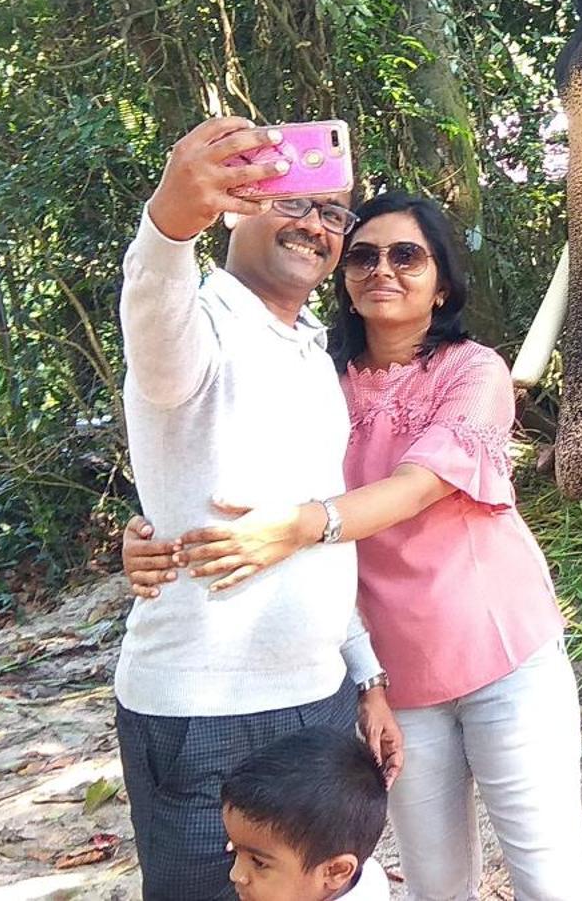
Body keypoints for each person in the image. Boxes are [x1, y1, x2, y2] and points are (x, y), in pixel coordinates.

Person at [125, 190, 582, 900]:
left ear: (442, 284)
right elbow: (216, 464)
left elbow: (416, 486)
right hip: (392, 675)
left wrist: (296, 526)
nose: (383, 268)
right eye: (365, 255)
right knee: (435, 881)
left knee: (547, 870)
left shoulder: (474, 372)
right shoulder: (317, 368)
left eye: (407, 255)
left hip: (501, 654)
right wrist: (153, 534)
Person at [115, 117, 404, 900]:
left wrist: (365, 676)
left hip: (314, 701)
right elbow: (153, 309)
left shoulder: (312, 349)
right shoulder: (196, 328)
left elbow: (315, 536)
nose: (315, 224)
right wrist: (169, 221)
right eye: (291, 201)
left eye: (334, 213)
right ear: (240, 206)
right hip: (203, 712)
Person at [222, 726, 392, 901]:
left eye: (258, 862)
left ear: (336, 871)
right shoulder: (368, 876)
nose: (235, 874)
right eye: (235, 850)